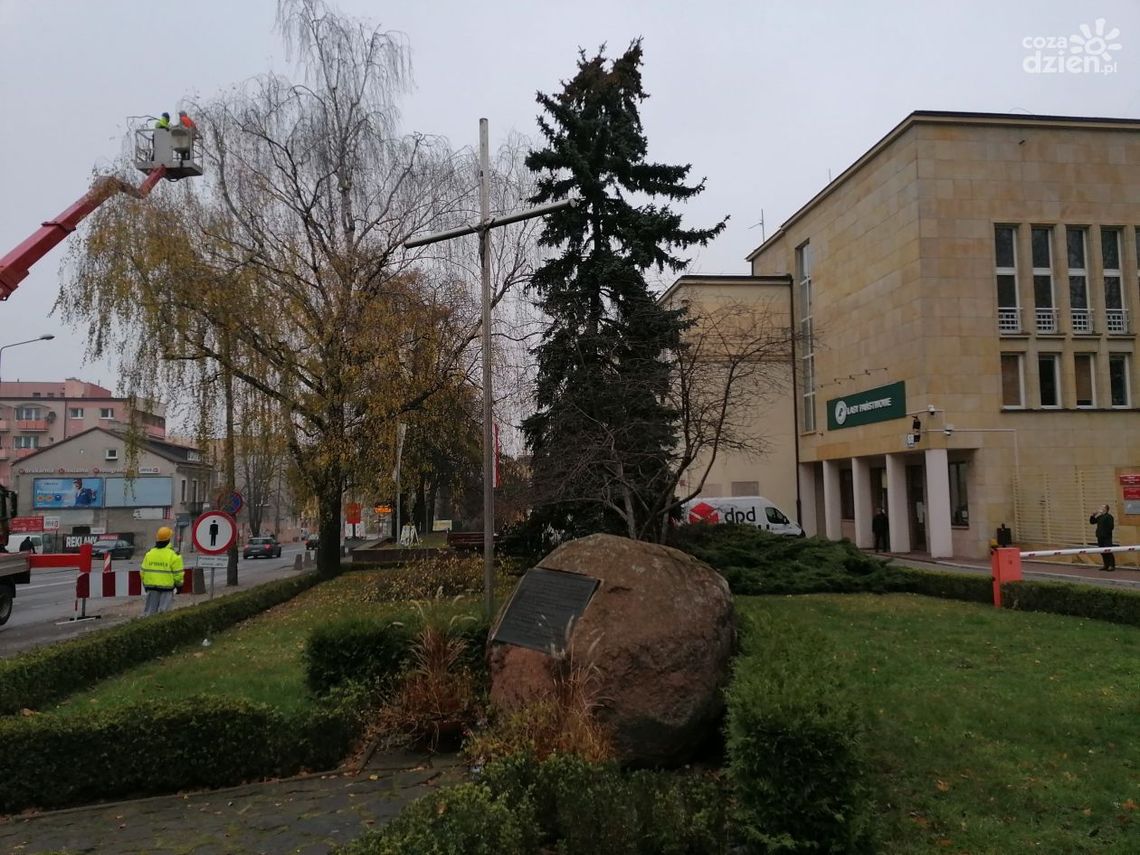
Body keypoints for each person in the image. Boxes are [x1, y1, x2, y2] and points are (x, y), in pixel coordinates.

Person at [140, 525, 184, 617]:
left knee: (149, 614)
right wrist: (179, 586)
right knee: (164, 615)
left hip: (151, 588)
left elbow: (142, 572)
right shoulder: (174, 555)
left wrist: (145, 584)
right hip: (166, 589)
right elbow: (178, 575)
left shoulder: (149, 554)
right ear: (169, 539)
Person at [1090, 504, 1116, 571]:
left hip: (1107, 537)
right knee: (1102, 551)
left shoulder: (1109, 517)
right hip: (1100, 537)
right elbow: (1092, 522)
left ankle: (1111, 565)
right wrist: (1093, 515)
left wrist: (1105, 532)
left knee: (1108, 551)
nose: (1100, 508)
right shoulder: (1100, 517)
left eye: (1102, 507)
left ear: (1106, 509)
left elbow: (1111, 527)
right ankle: (1106, 565)